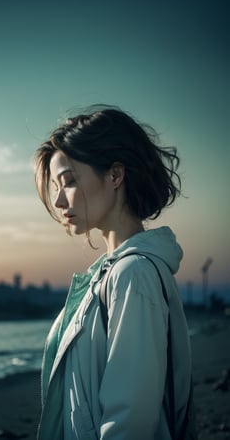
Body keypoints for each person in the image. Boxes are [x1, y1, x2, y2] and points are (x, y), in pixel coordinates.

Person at [34, 106, 195, 440]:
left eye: (69, 182)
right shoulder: (107, 275)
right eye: (55, 187)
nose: (60, 202)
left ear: (115, 175)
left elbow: (128, 422)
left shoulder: (133, 275)